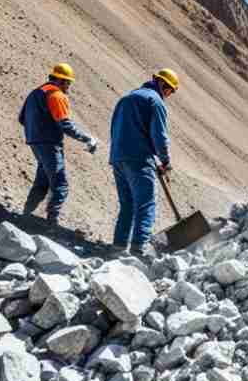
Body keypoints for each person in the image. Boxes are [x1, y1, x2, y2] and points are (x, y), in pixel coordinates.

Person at [109, 68, 180, 256]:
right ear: (163, 84)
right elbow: (160, 137)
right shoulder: (155, 101)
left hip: (118, 158)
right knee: (146, 204)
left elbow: (117, 128)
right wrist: (165, 161)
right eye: (170, 90)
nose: (169, 94)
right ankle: (139, 250)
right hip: (138, 160)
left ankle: (117, 247)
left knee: (127, 205)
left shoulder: (126, 98)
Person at [19, 62, 98, 225]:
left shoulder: (36, 92)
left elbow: (21, 118)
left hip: (35, 142)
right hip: (49, 144)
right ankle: (51, 223)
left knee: (43, 181)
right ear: (61, 81)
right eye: (68, 82)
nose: (68, 86)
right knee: (60, 185)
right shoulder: (56, 95)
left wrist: (36, 130)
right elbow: (66, 125)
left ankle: (25, 215)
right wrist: (87, 138)